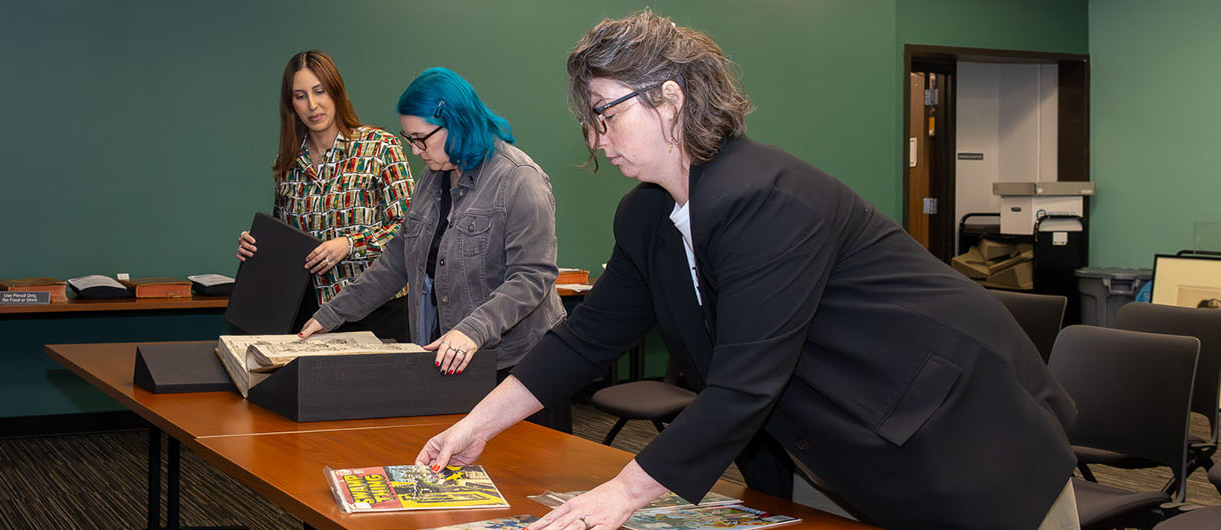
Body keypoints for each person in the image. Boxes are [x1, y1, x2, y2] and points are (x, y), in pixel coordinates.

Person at [415, 12, 1079, 530]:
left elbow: (743, 384)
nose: (595, 139)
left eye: (605, 114)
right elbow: (587, 338)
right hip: (845, 445)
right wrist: (477, 424)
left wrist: (623, 494)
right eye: (590, 120)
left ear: (669, 100)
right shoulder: (648, 218)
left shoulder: (764, 199)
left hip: (967, 439)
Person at [297, 67, 569, 431]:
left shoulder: (520, 179)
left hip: (516, 367)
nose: (414, 150)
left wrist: (472, 330)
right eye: (408, 138)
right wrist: (330, 315)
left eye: (421, 138)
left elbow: (531, 278)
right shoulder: (432, 178)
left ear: (456, 123)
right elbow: (396, 261)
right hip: (452, 363)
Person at [237, 50, 414, 341]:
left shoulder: (380, 147)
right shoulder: (289, 163)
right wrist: (257, 247)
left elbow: (410, 229)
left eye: (319, 91)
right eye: (300, 96)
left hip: (379, 309)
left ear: (336, 91)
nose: (313, 105)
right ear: (291, 104)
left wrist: (349, 244)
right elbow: (288, 242)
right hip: (311, 315)